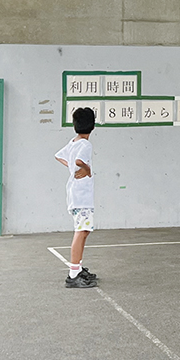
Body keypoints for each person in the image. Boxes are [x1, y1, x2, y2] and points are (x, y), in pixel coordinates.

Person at [54, 106, 98, 288]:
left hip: (75, 194)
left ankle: (77, 268)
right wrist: (86, 169)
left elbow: (59, 156)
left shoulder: (74, 142)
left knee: (84, 230)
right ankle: (73, 274)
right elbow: (79, 161)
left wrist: (72, 167)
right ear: (93, 126)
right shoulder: (85, 145)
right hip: (81, 195)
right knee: (81, 231)